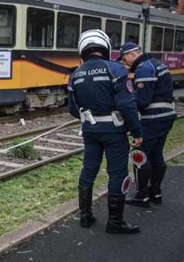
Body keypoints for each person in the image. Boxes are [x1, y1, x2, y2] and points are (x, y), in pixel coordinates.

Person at [68, 30, 143, 234]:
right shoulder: (116, 69)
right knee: (117, 173)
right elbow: (127, 104)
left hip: (90, 132)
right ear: (105, 47)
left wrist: (90, 120)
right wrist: (136, 132)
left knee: (88, 171)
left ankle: (85, 217)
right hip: (114, 132)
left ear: (83, 49)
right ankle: (115, 222)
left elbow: (73, 109)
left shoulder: (76, 74)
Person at [118, 42, 176, 207]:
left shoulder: (143, 68)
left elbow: (142, 100)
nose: (124, 62)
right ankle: (155, 192)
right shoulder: (157, 64)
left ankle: (141, 195)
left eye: (124, 58)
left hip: (153, 118)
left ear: (132, 54)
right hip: (166, 116)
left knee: (139, 153)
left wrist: (124, 104)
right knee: (156, 153)